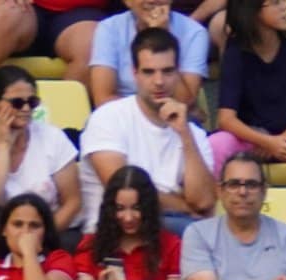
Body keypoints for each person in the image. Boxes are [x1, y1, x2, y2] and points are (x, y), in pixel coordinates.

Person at [77, 28, 217, 235]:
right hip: (115, 230)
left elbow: (204, 201)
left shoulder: (193, 133)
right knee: (197, 233)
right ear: (135, 73)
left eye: (168, 71)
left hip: (176, 229)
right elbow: (123, 193)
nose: (159, 81)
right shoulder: (107, 118)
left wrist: (185, 135)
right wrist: (185, 206)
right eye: (149, 72)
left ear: (178, 72)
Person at [0, 65, 83, 267]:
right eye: (17, 103)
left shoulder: (53, 137)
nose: (26, 109)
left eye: (32, 102)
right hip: (5, 234)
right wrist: (5, 146)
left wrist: (40, 237)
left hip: (48, 231)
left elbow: (73, 202)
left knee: (73, 242)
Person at [210, 0, 286, 191]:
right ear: (254, 11)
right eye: (276, 3)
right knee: (216, 144)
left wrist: (280, 142)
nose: (285, 7)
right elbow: (226, 119)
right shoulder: (235, 51)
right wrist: (266, 142)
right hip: (250, 139)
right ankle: (213, 214)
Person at [0, 0, 102, 120]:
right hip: (26, 7)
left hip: (85, 12)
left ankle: (66, 120)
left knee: (92, 43)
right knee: (7, 13)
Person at [89, 0, 210, 107]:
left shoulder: (194, 32)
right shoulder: (108, 29)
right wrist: (148, 113)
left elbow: (185, 101)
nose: (153, 1)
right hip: (121, 119)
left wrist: (161, 35)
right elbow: (103, 99)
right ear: (127, 2)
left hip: (173, 118)